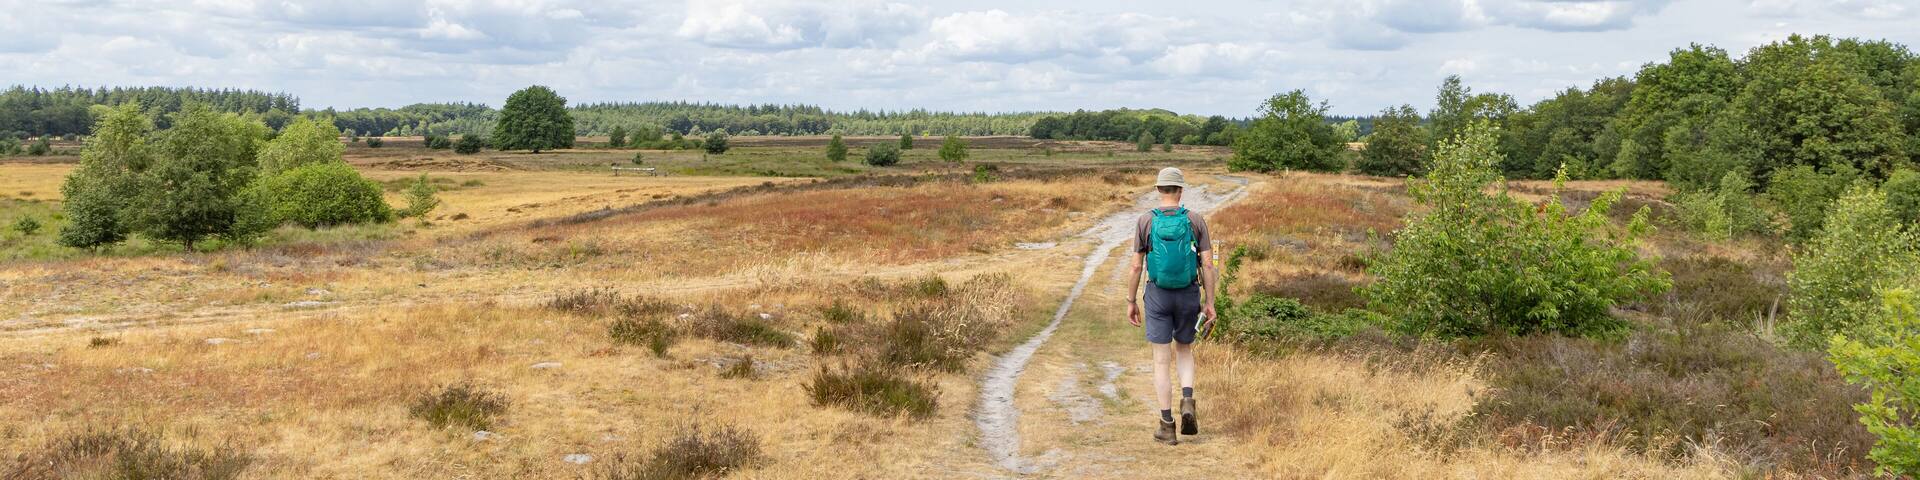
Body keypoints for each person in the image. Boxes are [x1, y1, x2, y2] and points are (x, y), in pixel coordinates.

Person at [1126, 167, 1217, 445]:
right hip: (1188, 293)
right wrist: (1209, 302)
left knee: (1161, 361)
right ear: (1180, 190)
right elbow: (1208, 264)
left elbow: (1135, 266)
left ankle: (1167, 425)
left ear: (1158, 190)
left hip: (1157, 295)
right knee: (1185, 350)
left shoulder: (1145, 221)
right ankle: (1187, 399)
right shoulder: (1195, 220)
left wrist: (1131, 301)